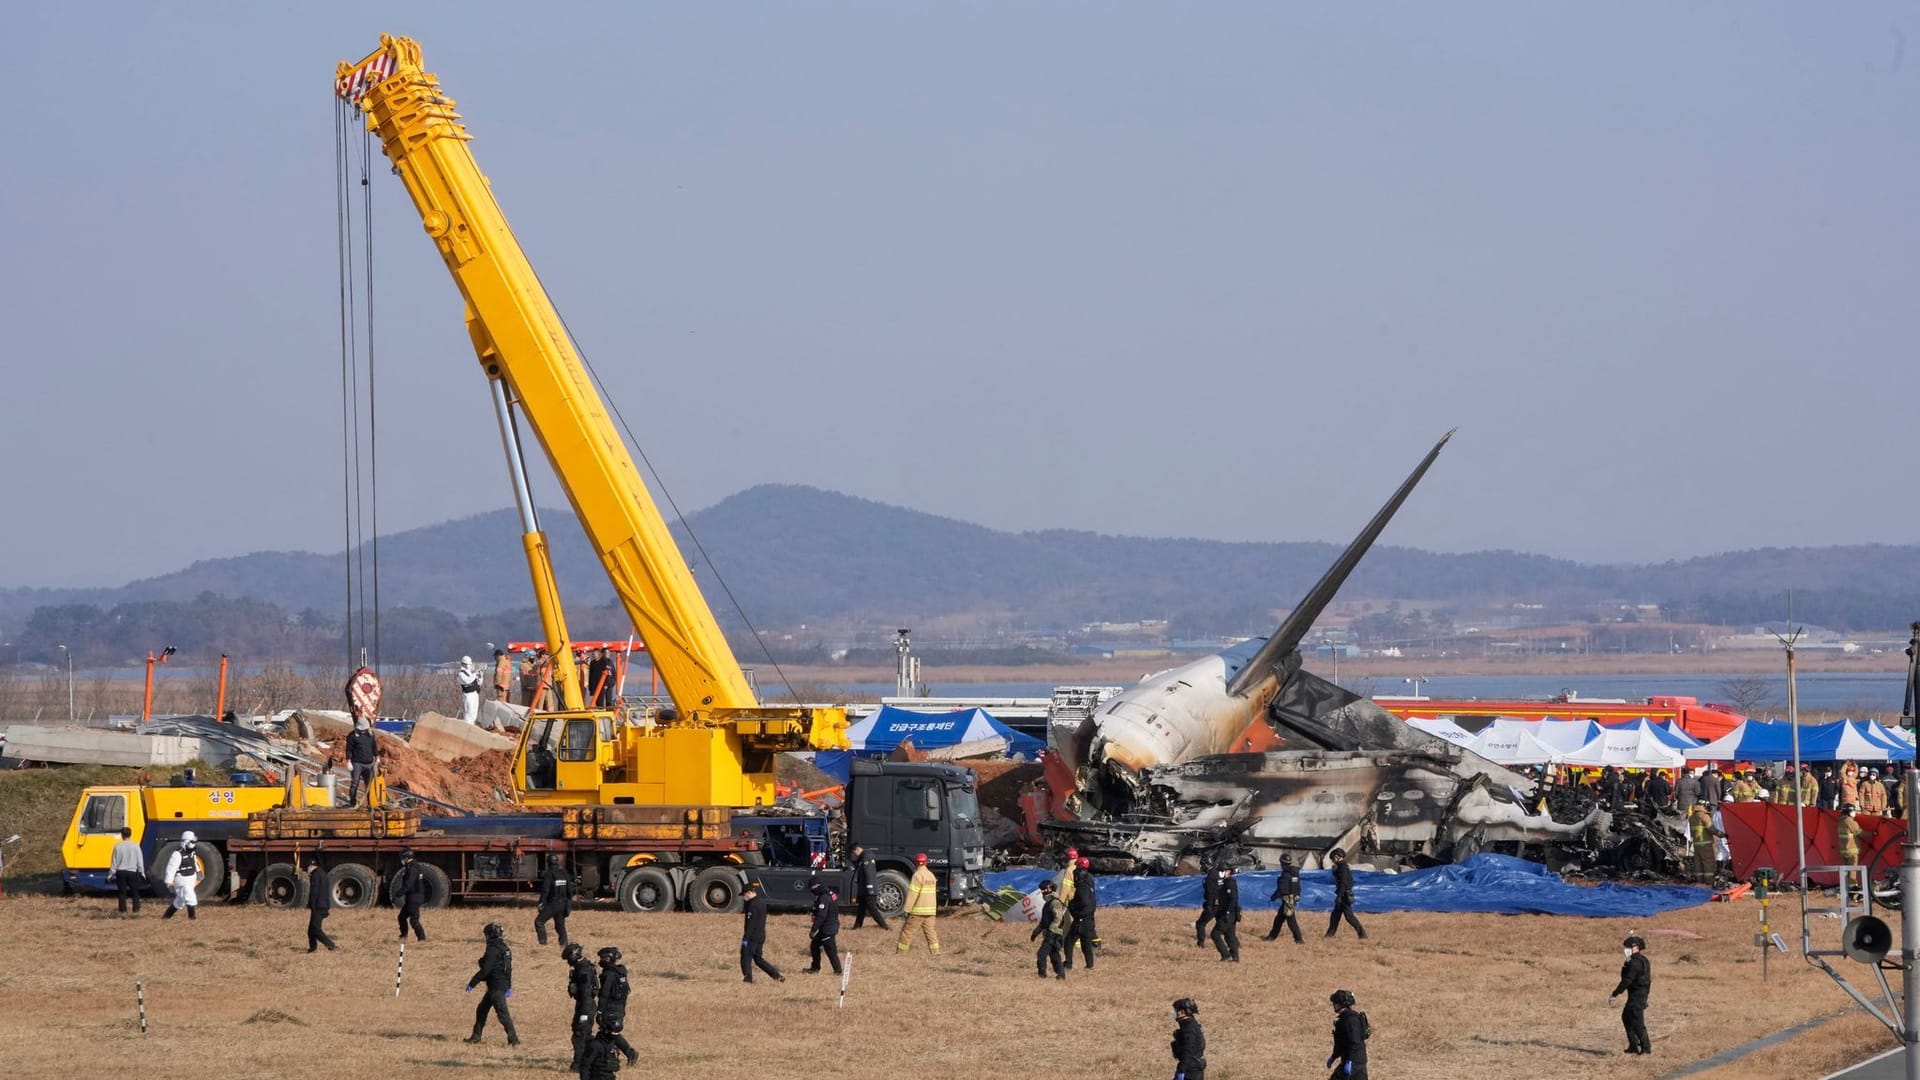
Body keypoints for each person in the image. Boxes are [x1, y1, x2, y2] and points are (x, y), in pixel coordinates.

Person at [464, 922, 520, 1046]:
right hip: (498, 986)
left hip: (496, 988)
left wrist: (472, 983)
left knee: (503, 1015)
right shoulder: (505, 949)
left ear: (490, 935)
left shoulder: (492, 949)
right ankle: (475, 1037)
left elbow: (486, 970)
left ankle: (514, 1040)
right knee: (481, 1010)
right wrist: (509, 986)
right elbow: (508, 969)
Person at [595, 947, 639, 1064]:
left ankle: (629, 1053)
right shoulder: (620, 972)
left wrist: (599, 1011)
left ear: (610, 959)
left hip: (611, 1008)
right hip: (619, 1007)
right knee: (607, 1032)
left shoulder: (609, 975)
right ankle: (612, 1056)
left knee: (610, 1032)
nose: (601, 961)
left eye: (603, 958)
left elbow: (604, 995)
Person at [1610, 935, 1652, 1055]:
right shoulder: (1643, 960)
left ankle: (1646, 1048)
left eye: (1628, 947)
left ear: (1635, 947)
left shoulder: (1635, 963)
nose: (1626, 950)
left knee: (1638, 1022)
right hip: (1638, 994)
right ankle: (1633, 1045)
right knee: (1627, 1018)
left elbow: (1627, 980)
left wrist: (1615, 993)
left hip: (1637, 996)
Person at [739, 878, 784, 982]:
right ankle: (776, 975)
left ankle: (748, 979)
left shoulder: (753, 905)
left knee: (746, 957)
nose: (744, 897)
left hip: (752, 937)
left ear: (749, 893)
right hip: (761, 935)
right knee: (758, 959)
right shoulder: (761, 902)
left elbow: (751, 924)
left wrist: (745, 939)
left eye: (744, 895)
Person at [562, 943, 598, 1071]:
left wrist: (583, 1014)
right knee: (585, 1036)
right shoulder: (581, 967)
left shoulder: (583, 970)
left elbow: (586, 994)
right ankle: (597, 1059)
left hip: (586, 1006)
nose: (568, 962)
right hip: (584, 1005)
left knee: (579, 1035)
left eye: (569, 959)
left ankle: (578, 1065)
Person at [896, 853, 940, 954]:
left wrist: (906, 909)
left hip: (918, 911)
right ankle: (936, 953)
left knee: (907, 932)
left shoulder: (917, 875)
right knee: (931, 933)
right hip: (931, 911)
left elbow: (913, 894)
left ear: (916, 863)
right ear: (926, 862)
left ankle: (900, 953)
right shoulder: (931, 875)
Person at [1064, 856, 1099, 970]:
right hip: (1089, 920)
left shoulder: (1082, 887)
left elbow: (1083, 902)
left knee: (1068, 942)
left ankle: (1068, 964)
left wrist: (1072, 905)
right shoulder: (1089, 881)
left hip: (1081, 920)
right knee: (1086, 944)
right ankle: (1090, 965)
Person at [1328, 989, 1371, 1079]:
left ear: (1342, 1004)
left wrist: (1351, 1060)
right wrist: (1334, 1056)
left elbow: (1355, 1041)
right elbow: (1341, 1043)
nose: (1334, 1005)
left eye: (1336, 1003)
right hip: (1358, 1061)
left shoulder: (1349, 1020)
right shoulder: (1346, 1018)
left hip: (1354, 1062)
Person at [1327, 848, 1366, 940]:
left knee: (1349, 917)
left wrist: (1340, 895)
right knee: (1335, 916)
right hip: (1342, 894)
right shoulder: (1342, 867)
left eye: (1332, 859)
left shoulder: (1343, 867)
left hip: (1344, 896)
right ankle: (1329, 935)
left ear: (1336, 857)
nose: (1333, 861)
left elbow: (1344, 882)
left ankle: (1362, 934)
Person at [1264, 853, 1304, 943]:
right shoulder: (1294, 873)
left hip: (1287, 900)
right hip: (1292, 899)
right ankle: (1271, 937)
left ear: (1282, 863)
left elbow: (1282, 889)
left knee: (1291, 921)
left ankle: (1299, 939)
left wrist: (1274, 897)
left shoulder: (1285, 875)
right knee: (1278, 919)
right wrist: (1297, 895)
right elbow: (1297, 886)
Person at [1031, 879, 1068, 979]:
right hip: (1051, 933)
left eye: (1044, 890)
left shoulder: (1055, 903)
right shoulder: (1047, 904)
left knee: (1041, 954)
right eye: (1041, 891)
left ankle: (1042, 975)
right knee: (1054, 954)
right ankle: (1061, 974)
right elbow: (1043, 922)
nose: (1042, 893)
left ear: (1049, 889)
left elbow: (1058, 917)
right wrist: (1035, 933)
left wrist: (1052, 930)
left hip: (1054, 934)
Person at [849, 844, 890, 930]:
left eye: (854, 852)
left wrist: (870, 888)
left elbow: (869, 873)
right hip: (863, 890)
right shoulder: (862, 858)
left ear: (857, 850)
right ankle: (857, 927)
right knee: (861, 909)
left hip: (868, 890)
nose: (855, 855)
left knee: (872, 909)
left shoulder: (867, 857)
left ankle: (884, 926)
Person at [805, 880, 843, 975]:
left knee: (831, 951)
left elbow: (821, 915)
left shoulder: (824, 897)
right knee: (814, 945)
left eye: (811, 888)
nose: (811, 890)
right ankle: (815, 968)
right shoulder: (828, 893)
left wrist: (813, 929)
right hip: (827, 927)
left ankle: (838, 971)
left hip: (828, 928)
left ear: (816, 885)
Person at [535, 853, 573, 948]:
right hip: (563, 904)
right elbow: (570, 890)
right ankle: (564, 945)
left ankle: (543, 944)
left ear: (548, 863)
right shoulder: (564, 874)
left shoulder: (549, 875)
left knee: (539, 922)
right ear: (557, 862)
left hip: (553, 904)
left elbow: (545, 890)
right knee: (560, 926)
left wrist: (541, 902)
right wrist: (567, 901)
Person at [162, 831, 201, 921]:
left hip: (191, 879)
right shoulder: (177, 854)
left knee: (180, 901)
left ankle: (166, 917)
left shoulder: (192, 852)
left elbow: (194, 862)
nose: (193, 844)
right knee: (191, 898)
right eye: (192, 842)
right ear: (185, 841)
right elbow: (170, 869)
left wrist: (198, 871)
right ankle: (192, 919)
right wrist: (168, 882)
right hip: (182, 880)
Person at [392, 848, 428, 941]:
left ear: (407, 858)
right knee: (402, 917)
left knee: (414, 920)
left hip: (415, 897)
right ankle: (403, 936)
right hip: (412, 897)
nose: (402, 861)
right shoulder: (412, 866)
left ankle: (422, 938)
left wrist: (398, 894)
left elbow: (409, 884)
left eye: (403, 858)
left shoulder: (413, 868)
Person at [110, 826, 145, 915]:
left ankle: (123, 911)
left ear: (122, 835)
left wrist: (111, 873)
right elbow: (140, 860)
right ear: (130, 834)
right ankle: (136, 910)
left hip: (121, 872)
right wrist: (142, 871)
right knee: (135, 892)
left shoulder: (117, 846)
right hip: (132, 871)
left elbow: (114, 861)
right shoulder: (136, 846)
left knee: (122, 892)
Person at [345, 718, 379, 808]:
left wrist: (377, 756)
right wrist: (348, 760)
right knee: (355, 783)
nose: (363, 731)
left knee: (369, 785)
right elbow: (349, 749)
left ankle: (370, 803)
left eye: (364, 730)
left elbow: (374, 746)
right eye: (361, 730)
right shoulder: (352, 736)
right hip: (357, 763)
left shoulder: (370, 735)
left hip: (368, 763)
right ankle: (352, 802)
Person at [306, 857, 338, 952]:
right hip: (323, 904)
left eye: (307, 867)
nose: (306, 870)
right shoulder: (323, 873)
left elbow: (314, 892)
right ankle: (313, 948)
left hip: (318, 905)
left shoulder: (315, 875)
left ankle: (331, 945)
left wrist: (311, 905)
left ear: (311, 866)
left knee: (315, 929)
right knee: (311, 930)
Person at [1209, 865, 1241, 962]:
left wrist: (1227, 912)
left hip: (1229, 914)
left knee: (1215, 934)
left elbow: (1233, 899)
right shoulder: (1223, 883)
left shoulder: (1230, 883)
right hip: (1227, 913)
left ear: (1229, 872)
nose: (1221, 872)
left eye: (1224, 871)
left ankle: (1226, 955)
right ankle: (1235, 957)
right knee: (1230, 936)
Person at [1169, 998, 1206, 1080]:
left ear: (1182, 1012)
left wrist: (1182, 1070)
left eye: (1176, 1010)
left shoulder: (1188, 1029)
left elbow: (1188, 1049)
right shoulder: (1191, 1024)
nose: (1174, 1013)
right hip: (1192, 1069)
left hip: (1190, 1071)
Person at [1687, 803, 1723, 885]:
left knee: (1699, 863)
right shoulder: (1704, 816)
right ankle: (1709, 881)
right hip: (1706, 844)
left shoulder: (1692, 817)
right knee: (1708, 862)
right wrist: (1722, 834)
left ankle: (1700, 881)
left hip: (1696, 844)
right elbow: (1711, 829)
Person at [1194, 861, 1221, 948]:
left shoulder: (1211, 876)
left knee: (1200, 924)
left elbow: (1210, 892)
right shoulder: (1217, 874)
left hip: (1213, 904)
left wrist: (1209, 905)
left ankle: (1200, 943)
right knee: (1225, 926)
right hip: (1220, 904)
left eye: (1203, 864)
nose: (1202, 867)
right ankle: (1235, 943)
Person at [457, 656, 483, 724]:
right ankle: (467, 725)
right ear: (464, 664)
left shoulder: (471, 673)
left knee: (474, 712)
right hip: (468, 695)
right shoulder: (461, 673)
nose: (470, 666)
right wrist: (475, 674)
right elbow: (467, 681)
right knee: (469, 712)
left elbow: (478, 683)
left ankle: (472, 725)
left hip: (475, 693)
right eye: (469, 664)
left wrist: (480, 677)